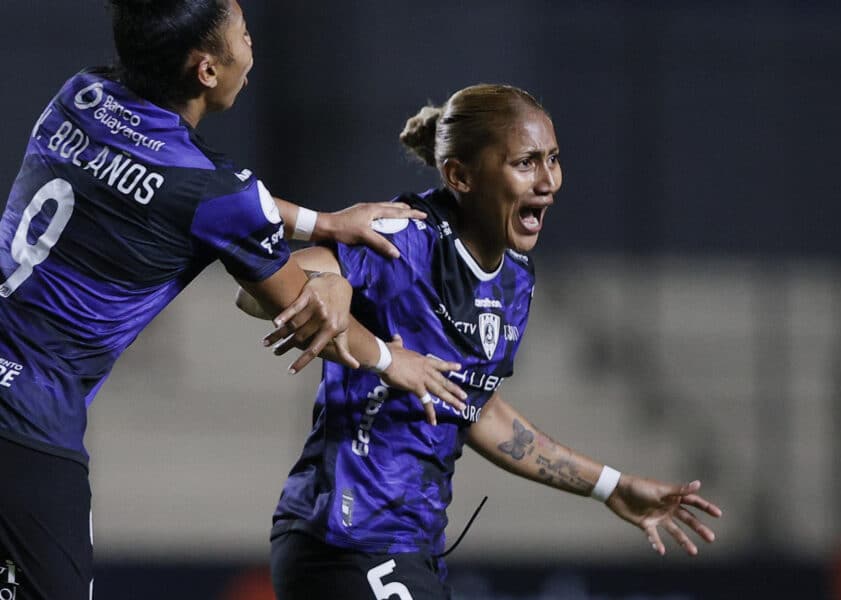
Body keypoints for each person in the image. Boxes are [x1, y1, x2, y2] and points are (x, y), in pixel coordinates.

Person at [0, 1, 464, 598]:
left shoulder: (82, 94)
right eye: (243, 38)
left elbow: (201, 198)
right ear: (206, 70)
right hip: (29, 429)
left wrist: (323, 224)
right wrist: (393, 361)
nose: (252, 51)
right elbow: (301, 308)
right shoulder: (219, 193)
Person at [238, 83, 723, 599]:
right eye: (525, 163)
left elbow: (479, 411)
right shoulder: (405, 239)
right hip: (343, 540)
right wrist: (329, 283)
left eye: (553, 159)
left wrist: (610, 485)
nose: (548, 182)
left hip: (409, 546)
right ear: (460, 176)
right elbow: (257, 291)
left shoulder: (516, 279)